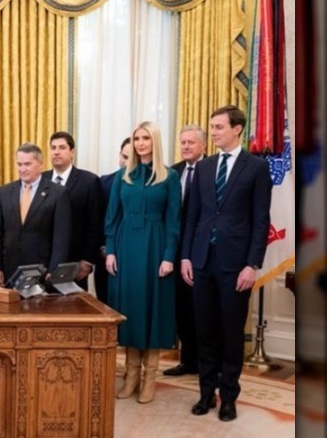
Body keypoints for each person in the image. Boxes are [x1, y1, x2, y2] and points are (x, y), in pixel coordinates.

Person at [181, 105, 272, 422]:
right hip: (202, 260)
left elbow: (261, 221)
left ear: (237, 129)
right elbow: (192, 216)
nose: (214, 132)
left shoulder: (257, 167)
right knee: (205, 332)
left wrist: (252, 264)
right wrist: (186, 256)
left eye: (219, 127)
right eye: (212, 126)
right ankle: (206, 393)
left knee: (231, 333)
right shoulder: (204, 167)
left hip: (236, 265)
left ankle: (229, 396)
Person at [105, 121, 180, 404]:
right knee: (131, 311)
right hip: (126, 248)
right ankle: (131, 375)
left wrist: (169, 256)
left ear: (155, 141)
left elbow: (175, 221)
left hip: (157, 246)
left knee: (154, 311)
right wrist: (111, 250)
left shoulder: (169, 177)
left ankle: (150, 378)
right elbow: (111, 217)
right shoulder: (123, 176)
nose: (140, 143)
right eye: (137, 138)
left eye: (146, 138)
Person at [0, 143, 71, 285]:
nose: (22, 169)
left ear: (40, 164)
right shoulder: (4, 192)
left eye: (27, 164)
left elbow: (61, 237)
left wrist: (53, 269)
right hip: (9, 269)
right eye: (19, 164)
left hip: (41, 269)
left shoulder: (58, 193)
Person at [162, 125, 207, 377]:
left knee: (202, 309)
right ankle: (187, 360)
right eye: (183, 142)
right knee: (182, 309)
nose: (186, 146)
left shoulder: (212, 169)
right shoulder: (172, 172)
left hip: (202, 251)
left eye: (191, 142)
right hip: (176, 250)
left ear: (203, 145)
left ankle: (208, 364)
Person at [41, 131, 102, 291]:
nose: (56, 152)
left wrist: (88, 260)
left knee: (74, 309)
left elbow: (94, 223)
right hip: (43, 262)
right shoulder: (40, 180)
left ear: (72, 152)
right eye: (53, 148)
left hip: (75, 262)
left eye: (62, 147)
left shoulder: (89, 181)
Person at [95, 137, 132, 303]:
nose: (126, 162)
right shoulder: (104, 182)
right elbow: (97, 218)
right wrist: (104, 247)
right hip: (107, 255)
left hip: (134, 254)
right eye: (124, 157)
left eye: (131, 158)